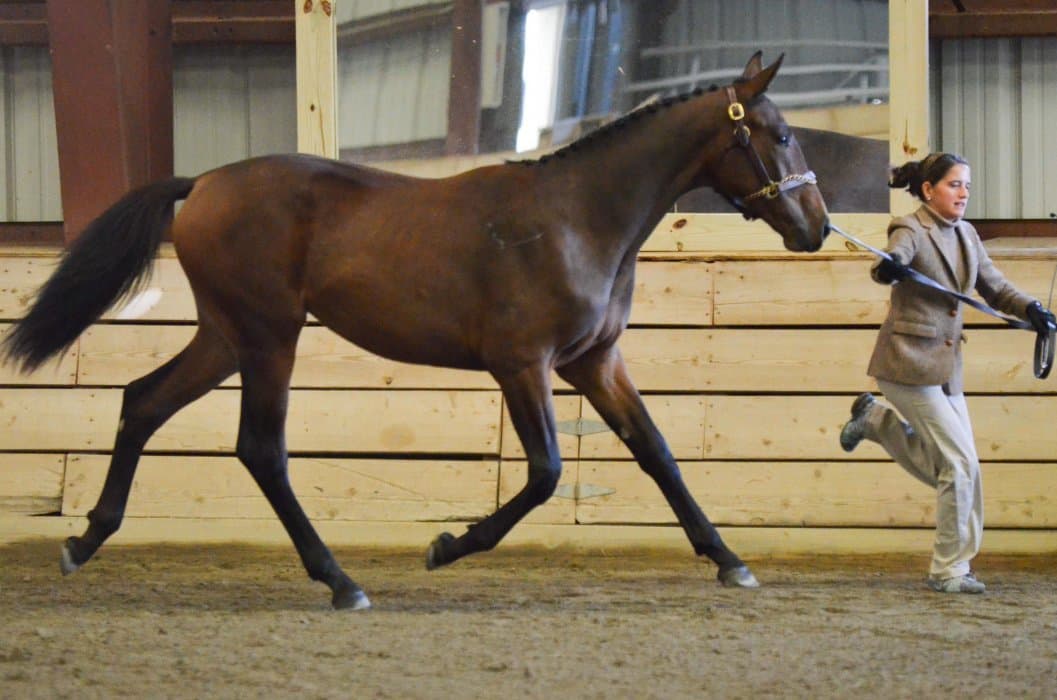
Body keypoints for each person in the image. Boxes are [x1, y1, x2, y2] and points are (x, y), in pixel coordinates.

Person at [838, 152, 1054, 594]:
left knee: (959, 468)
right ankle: (948, 570)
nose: (964, 193)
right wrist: (889, 268)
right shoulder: (910, 228)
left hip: (946, 368)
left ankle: (875, 421)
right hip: (906, 363)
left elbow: (996, 287)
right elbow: (892, 259)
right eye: (955, 184)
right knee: (959, 464)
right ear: (928, 189)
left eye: (967, 185)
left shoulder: (968, 234)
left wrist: (1032, 309)